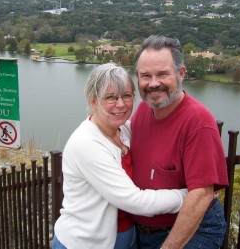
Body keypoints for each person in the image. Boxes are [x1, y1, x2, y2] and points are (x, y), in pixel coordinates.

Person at [53, 63, 188, 249]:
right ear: (93, 101)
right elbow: (134, 201)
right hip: (85, 243)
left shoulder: (123, 129)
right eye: (110, 97)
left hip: (125, 236)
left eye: (126, 96)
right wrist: (187, 196)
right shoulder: (87, 144)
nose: (120, 104)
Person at [131, 35, 229, 249]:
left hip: (193, 230)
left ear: (181, 73)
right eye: (145, 76)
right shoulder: (143, 111)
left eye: (162, 74)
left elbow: (202, 194)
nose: (153, 83)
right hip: (143, 232)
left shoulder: (198, 121)